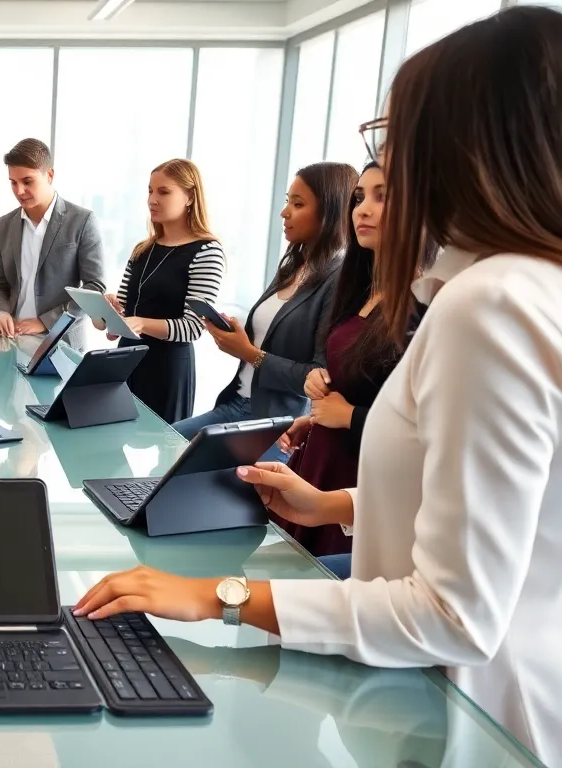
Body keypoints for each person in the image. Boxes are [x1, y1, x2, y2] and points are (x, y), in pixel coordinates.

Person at [73, 7, 562, 762]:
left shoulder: (492, 303)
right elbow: (509, 516)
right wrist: (336, 504)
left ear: (469, 148)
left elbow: (452, 615)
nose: (387, 165)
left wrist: (218, 596)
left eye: (399, 137)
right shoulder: (521, 289)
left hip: (474, 716)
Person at [277, 163, 432, 566]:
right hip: (323, 457)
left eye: (382, 197)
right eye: (359, 197)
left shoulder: (425, 304)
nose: (362, 209)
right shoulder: (361, 288)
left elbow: (424, 428)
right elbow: (359, 379)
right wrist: (318, 402)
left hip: (362, 476)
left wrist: (349, 417)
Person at [171, 162, 356, 443]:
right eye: (287, 201)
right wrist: (237, 337)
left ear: (329, 212)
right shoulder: (294, 266)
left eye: (298, 204)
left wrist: (249, 353)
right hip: (235, 405)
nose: (285, 212)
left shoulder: (338, 279)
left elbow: (317, 377)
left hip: (274, 425)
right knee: (166, 442)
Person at [100, 159, 225, 424]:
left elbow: (192, 328)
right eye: (150, 191)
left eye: (163, 192)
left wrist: (140, 323)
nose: (152, 200)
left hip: (167, 371)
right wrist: (109, 313)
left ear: (190, 197)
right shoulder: (142, 249)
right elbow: (122, 317)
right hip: (125, 363)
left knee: (161, 448)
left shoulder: (207, 252)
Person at [0, 138, 105, 338]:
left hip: (62, 340)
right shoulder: (2, 225)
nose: (19, 191)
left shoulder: (82, 220)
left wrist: (46, 321)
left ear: (49, 175)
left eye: (27, 181)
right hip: (12, 338)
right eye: (13, 183)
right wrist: (0, 312)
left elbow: (95, 288)